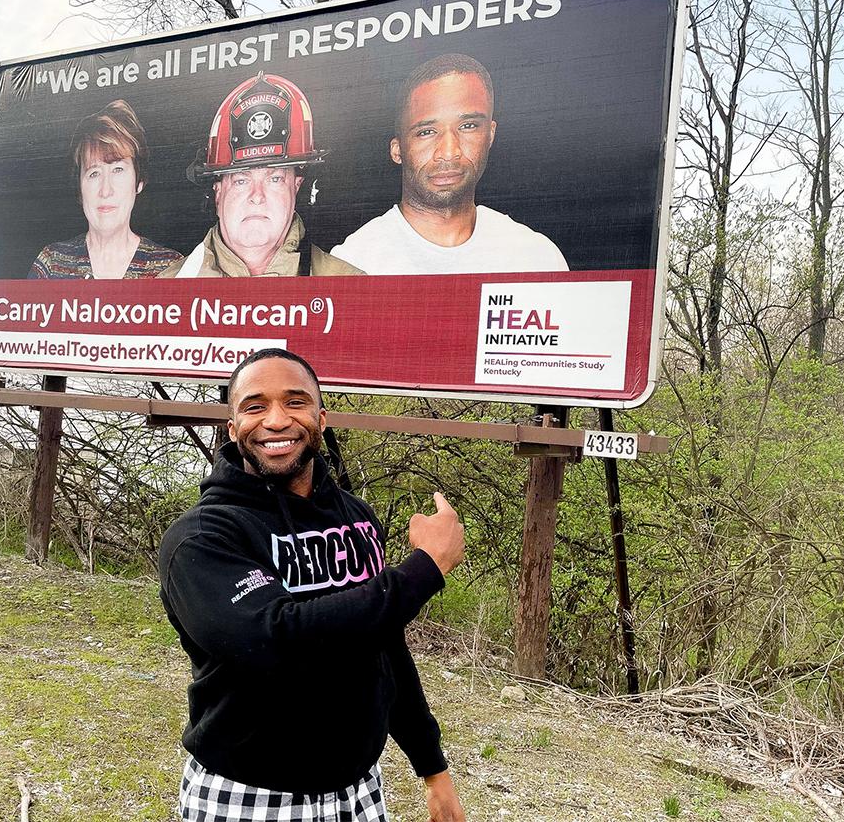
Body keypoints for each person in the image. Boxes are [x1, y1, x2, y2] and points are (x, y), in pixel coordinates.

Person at [159, 348, 466, 822]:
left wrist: (432, 766)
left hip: (357, 791)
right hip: (246, 795)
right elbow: (275, 637)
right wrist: (425, 568)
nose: (276, 420)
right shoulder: (202, 536)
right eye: (255, 406)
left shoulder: (356, 517)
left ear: (321, 418)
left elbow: (384, 645)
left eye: (295, 402)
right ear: (232, 426)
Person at [331, 54, 568, 275]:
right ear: (397, 149)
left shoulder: (537, 258)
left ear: (490, 134)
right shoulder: (353, 263)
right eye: (426, 132)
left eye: (468, 126)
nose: (448, 152)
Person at [160, 72, 364, 278]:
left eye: (274, 179)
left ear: (296, 186)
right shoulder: (164, 292)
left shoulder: (347, 288)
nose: (257, 196)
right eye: (241, 180)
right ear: (218, 192)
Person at [29, 99, 182, 279]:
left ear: (139, 181)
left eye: (118, 170)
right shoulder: (52, 264)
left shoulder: (171, 269)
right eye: (94, 173)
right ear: (79, 188)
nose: (105, 190)